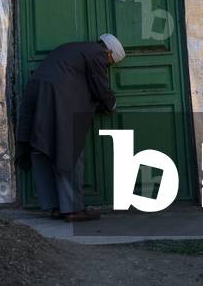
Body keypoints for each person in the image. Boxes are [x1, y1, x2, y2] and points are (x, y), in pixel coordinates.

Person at [15, 33, 126, 222]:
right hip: (58, 97)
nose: (107, 66)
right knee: (69, 149)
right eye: (110, 63)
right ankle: (73, 209)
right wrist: (110, 104)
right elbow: (99, 86)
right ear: (109, 53)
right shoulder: (97, 54)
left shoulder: (76, 48)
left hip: (37, 90)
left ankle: (55, 206)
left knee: (41, 147)